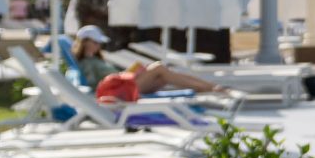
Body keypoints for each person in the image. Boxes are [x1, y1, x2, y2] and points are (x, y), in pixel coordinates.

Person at [70, 25, 230, 105]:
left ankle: (209, 87)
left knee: (163, 75)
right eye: (95, 42)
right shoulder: (85, 63)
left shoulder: (94, 60)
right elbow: (96, 85)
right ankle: (211, 88)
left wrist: (129, 73)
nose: (98, 46)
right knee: (159, 68)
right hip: (118, 91)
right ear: (85, 42)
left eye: (99, 43)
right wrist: (126, 75)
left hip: (123, 86)